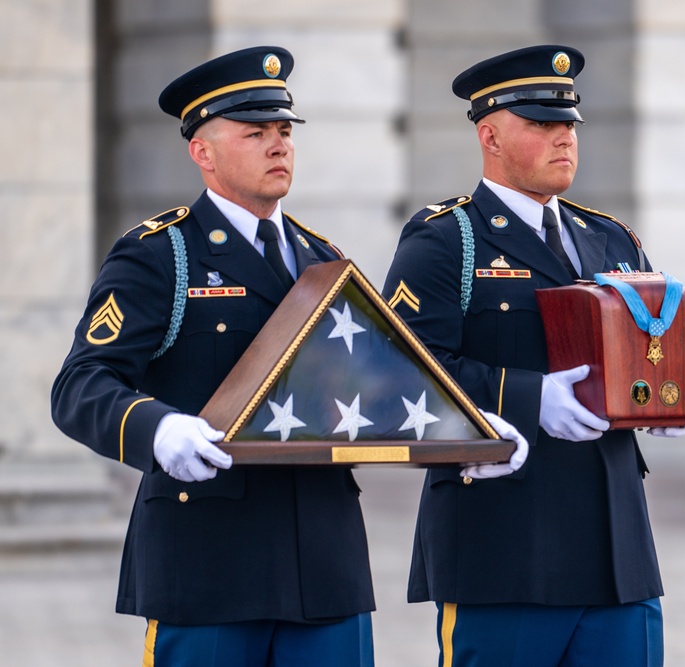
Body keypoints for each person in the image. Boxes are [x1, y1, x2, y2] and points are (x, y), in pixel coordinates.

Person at [50, 45, 527, 666]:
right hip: (208, 565)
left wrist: (468, 436)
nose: (279, 146)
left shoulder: (318, 258)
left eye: (284, 131)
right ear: (203, 152)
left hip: (323, 567)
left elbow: (379, 390)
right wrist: (157, 428)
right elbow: (81, 384)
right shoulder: (162, 254)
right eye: (255, 132)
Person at [381, 45, 685, 666]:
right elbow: (404, 372)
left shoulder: (609, 237)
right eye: (541, 124)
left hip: (615, 551)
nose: (563, 139)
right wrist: (530, 398)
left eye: (568, 125)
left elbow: (644, 347)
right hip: (503, 549)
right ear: (490, 136)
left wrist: (661, 399)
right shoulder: (447, 239)